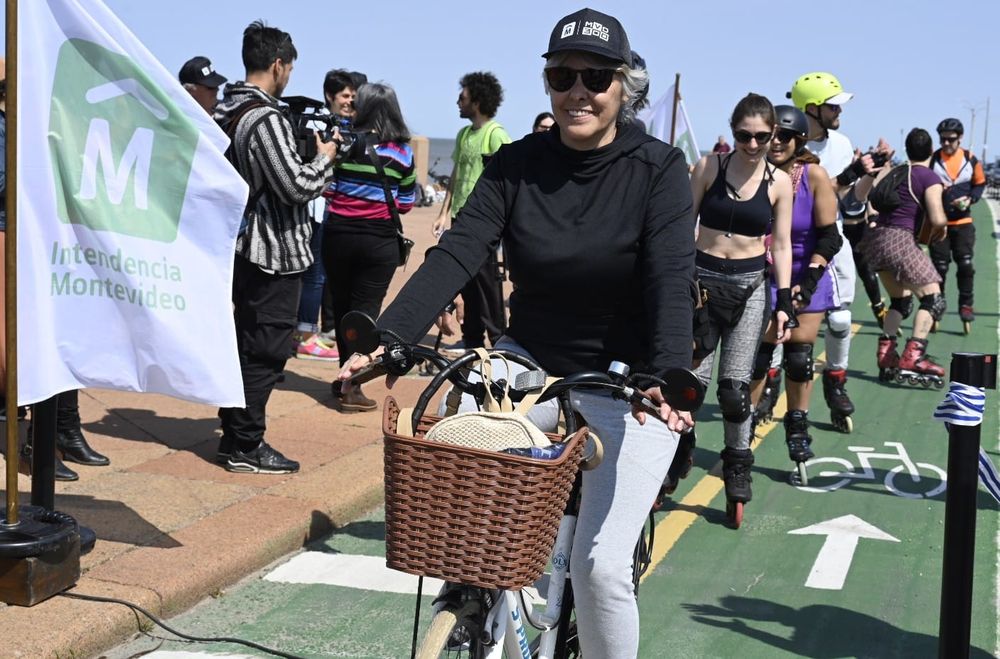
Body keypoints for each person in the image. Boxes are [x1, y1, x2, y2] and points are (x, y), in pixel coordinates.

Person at [340, 9, 693, 656]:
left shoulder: (658, 169)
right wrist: (388, 337)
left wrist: (668, 371)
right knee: (463, 456)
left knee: (600, 567)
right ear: (548, 84)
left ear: (622, 86)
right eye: (562, 76)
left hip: (630, 378)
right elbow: (457, 251)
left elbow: (671, 276)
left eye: (596, 77)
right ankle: (471, 601)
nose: (578, 91)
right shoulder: (516, 164)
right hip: (529, 364)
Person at [215, 21, 338, 474]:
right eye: (288, 68)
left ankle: (235, 432)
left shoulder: (226, 109)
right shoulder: (263, 117)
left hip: (242, 243)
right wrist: (324, 158)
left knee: (246, 342)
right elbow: (295, 185)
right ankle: (246, 445)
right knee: (266, 349)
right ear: (277, 65)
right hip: (273, 250)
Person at [689, 93, 794, 514]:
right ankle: (675, 456)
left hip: (750, 287)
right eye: (743, 136)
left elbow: (782, 245)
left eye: (762, 137)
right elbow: (682, 226)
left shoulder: (779, 182)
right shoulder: (708, 167)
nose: (752, 145)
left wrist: (784, 300)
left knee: (734, 391)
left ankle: (737, 465)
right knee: (689, 388)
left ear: (774, 136)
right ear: (733, 132)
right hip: (701, 285)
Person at [789, 72, 889, 432]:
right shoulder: (788, 143)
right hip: (792, 242)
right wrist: (850, 174)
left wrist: (868, 173)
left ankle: (835, 382)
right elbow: (814, 192)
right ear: (812, 109)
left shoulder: (842, 144)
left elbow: (848, 202)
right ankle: (768, 386)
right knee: (776, 314)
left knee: (841, 318)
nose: (838, 112)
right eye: (833, 106)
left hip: (835, 239)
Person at [749, 106, 842, 465]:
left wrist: (809, 281)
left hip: (806, 275)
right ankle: (747, 421)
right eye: (770, 134)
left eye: (784, 137)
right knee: (758, 357)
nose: (775, 142)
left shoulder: (814, 175)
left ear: (799, 140)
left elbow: (830, 237)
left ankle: (798, 425)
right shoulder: (753, 172)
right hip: (762, 276)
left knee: (799, 359)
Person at [323, 82, 415, 412]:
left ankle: (343, 377)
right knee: (365, 315)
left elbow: (326, 189)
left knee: (342, 309)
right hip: (379, 240)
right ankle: (351, 385)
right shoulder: (402, 151)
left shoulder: (344, 143)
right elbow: (405, 202)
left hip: (338, 235)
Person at [860, 128, 947, 385]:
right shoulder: (928, 176)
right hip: (901, 239)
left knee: (900, 302)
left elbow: (871, 201)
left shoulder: (896, 171)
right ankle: (914, 356)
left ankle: (887, 356)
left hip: (876, 240)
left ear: (907, 150)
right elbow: (938, 217)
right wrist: (940, 231)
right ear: (931, 151)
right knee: (933, 299)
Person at [432, 71, 511, 349]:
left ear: (477, 100)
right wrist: (444, 212)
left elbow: (508, 178)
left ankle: (499, 341)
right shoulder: (464, 134)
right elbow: (456, 174)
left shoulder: (495, 134)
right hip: (460, 217)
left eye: (462, 97)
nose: (458, 102)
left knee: (488, 285)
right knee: (467, 281)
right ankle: (472, 339)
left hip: (485, 221)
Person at [292, 69, 366, 362]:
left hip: (330, 211)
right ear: (330, 96)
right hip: (315, 209)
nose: (349, 101)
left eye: (352, 96)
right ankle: (306, 335)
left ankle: (309, 332)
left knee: (319, 276)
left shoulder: (344, 125)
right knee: (314, 276)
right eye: (344, 96)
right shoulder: (319, 124)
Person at [929, 117, 987, 331]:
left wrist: (970, 199)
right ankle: (938, 303)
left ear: (959, 139)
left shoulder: (970, 160)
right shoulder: (933, 159)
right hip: (939, 223)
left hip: (963, 222)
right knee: (940, 268)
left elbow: (979, 184)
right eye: (942, 139)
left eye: (950, 140)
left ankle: (966, 305)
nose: (946, 143)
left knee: (965, 264)